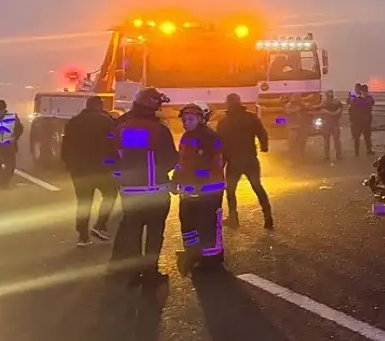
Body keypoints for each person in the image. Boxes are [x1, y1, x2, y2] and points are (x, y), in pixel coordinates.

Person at [109, 87, 179, 289]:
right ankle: (150, 273)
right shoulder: (160, 130)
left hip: (130, 192)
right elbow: (170, 159)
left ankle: (133, 274)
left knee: (133, 233)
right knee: (155, 234)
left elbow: (114, 156)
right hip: (156, 191)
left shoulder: (121, 127)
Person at [172, 102, 226, 276]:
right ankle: (193, 252)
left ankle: (212, 259)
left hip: (209, 190)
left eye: (190, 119)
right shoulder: (187, 137)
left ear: (201, 118)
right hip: (190, 190)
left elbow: (211, 162)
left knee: (207, 224)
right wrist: (176, 178)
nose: (186, 122)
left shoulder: (210, 137)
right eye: (184, 120)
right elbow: (183, 162)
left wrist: (197, 178)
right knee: (188, 221)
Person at [62, 95, 118, 246]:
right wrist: (115, 163)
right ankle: (100, 225)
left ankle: (83, 236)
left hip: (79, 170)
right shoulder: (105, 121)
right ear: (99, 106)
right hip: (101, 169)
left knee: (83, 202)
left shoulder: (73, 121)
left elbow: (65, 144)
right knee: (110, 194)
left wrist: (68, 164)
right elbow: (113, 142)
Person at [216, 93, 273, 230]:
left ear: (228, 104)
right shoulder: (251, 117)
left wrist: (220, 164)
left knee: (230, 190)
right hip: (250, 159)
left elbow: (219, 144)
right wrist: (264, 146)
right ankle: (268, 216)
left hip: (233, 162)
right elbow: (262, 132)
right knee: (257, 187)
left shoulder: (223, 122)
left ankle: (233, 217)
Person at [349, 84, 376, 157]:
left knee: (366, 136)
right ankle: (357, 152)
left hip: (364, 120)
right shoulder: (354, 97)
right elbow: (350, 103)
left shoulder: (367, 97)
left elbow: (371, 103)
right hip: (357, 120)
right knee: (357, 137)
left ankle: (367, 150)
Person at [320, 90, 344, 162]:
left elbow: (338, 111)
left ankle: (330, 155)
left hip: (332, 124)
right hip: (330, 124)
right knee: (332, 140)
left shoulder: (329, 102)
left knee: (332, 140)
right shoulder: (326, 102)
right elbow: (339, 111)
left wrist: (328, 113)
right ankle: (335, 155)